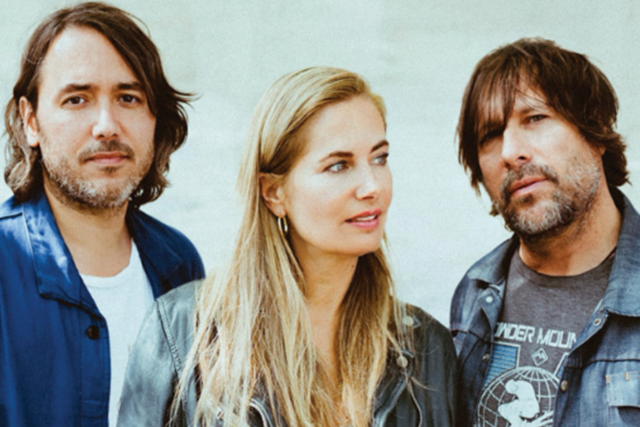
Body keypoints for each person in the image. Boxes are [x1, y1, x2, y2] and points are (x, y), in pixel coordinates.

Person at [117, 66, 456, 427]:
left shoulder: (426, 347)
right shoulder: (182, 331)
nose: (372, 186)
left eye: (379, 158)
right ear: (273, 192)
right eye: (338, 165)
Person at [0, 3, 205, 426]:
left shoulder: (179, 265)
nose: (107, 125)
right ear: (30, 120)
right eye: (77, 99)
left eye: (128, 98)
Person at [451, 37, 640, 427]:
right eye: (490, 136)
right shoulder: (474, 294)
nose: (510, 152)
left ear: (595, 130)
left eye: (535, 118)